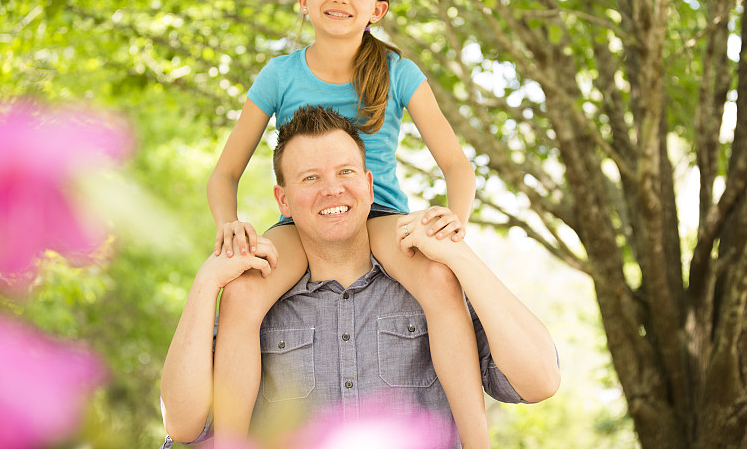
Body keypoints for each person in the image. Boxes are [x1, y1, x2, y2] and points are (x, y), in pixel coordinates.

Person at [206, 0, 486, 447]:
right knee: (243, 293)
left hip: (377, 216)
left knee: (442, 284)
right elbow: (223, 174)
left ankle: (477, 441)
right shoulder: (279, 74)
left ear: (376, 8)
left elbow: (456, 166)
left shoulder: (399, 72)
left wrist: (455, 218)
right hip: (305, 219)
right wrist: (229, 223)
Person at [160, 106, 560, 448]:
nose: (332, 190)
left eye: (346, 172)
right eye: (310, 178)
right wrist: (206, 283)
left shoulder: (430, 286)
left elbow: (540, 381)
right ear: (283, 200)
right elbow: (181, 424)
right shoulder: (253, 303)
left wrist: (460, 256)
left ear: (369, 186)